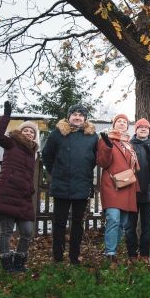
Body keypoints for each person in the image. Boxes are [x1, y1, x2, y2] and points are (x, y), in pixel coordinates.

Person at [42, 103, 98, 265]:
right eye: (74, 114)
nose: (77, 117)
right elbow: (47, 155)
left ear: (85, 118)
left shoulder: (92, 136)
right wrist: (56, 172)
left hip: (82, 185)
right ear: (69, 116)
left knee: (77, 223)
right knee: (59, 222)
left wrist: (84, 171)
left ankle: (74, 257)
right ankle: (58, 257)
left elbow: (95, 159)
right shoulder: (57, 134)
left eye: (81, 114)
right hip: (61, 186)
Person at [0, 101, 39, 272]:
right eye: (26, 130)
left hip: (23, 198)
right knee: (6, 232)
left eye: (32, 132)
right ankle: (7, 264)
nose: (29, 133)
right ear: (20, 132)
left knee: (27, 231)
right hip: (8, 193)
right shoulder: (12, 143)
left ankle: (19, 262)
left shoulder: (33, 153)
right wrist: (6, 116)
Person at [97, 114, 139, 263]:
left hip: (127, 186)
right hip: (112, 185)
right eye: (119, 121)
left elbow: (132, 168)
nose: (122, 123)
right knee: (113, 219)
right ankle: (110, 253)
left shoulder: (129, 144)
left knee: (123, 223)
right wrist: (108, 147)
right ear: (114, 124)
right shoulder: (106, 139)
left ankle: (114, 250)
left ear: (127, 126)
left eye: (124, 122)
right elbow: (103, 162)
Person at [126, 118, 150, 260]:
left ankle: (144, 253)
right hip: (132, 192)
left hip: (149, 193)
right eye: (140, 127)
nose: (143, 129)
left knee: (147, 226)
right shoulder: (129, 145)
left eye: (146, 127)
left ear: (149, 130)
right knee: (130, 225)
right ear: (136, 130)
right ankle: (132, 253)